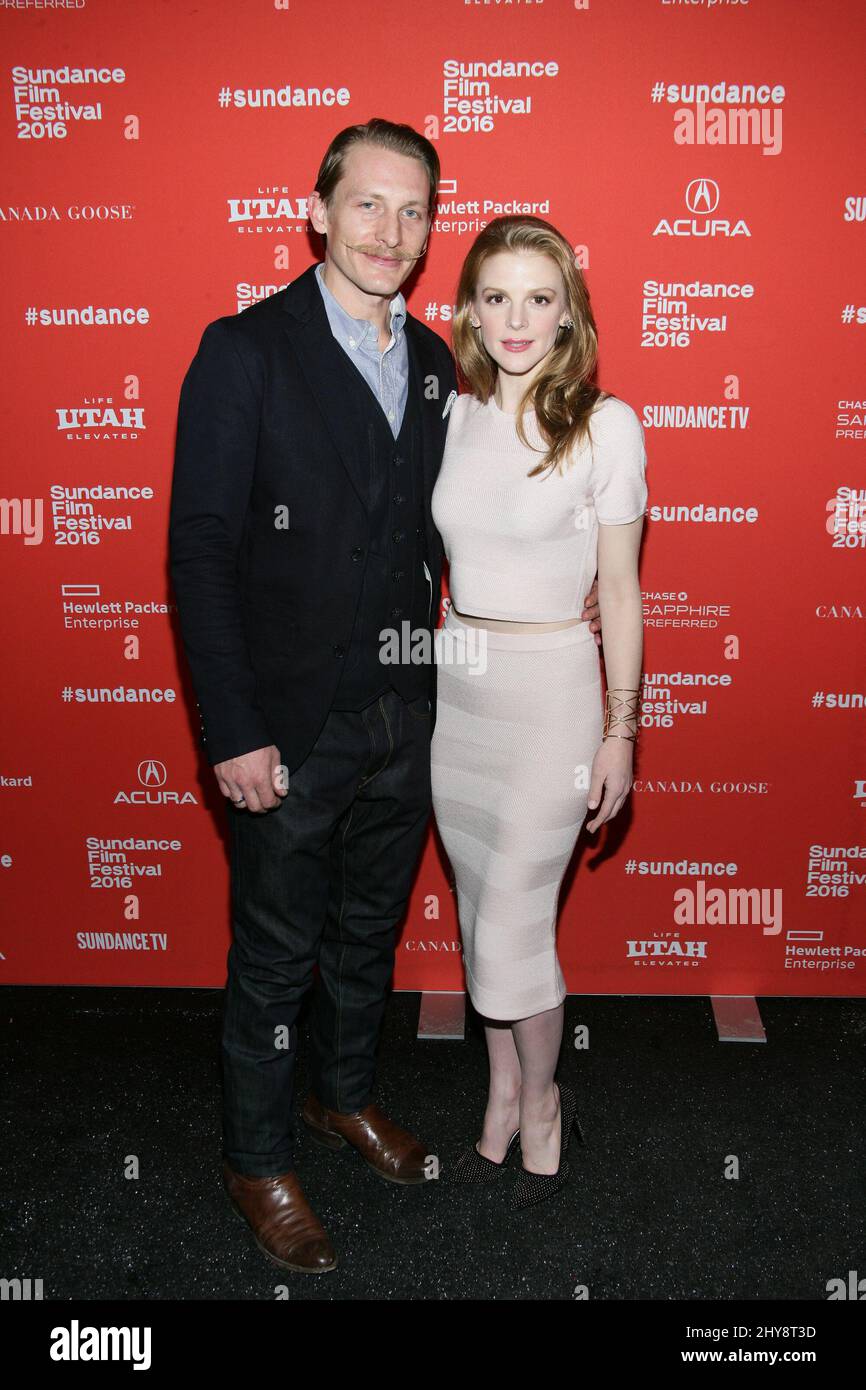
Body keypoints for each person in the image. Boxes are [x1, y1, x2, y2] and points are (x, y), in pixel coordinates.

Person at [169, 117, 607, 1272]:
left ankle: (344, 1097)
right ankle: (257, 1158)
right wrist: (233, 728)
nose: (390, 232)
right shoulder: (242, 351)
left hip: (413, 713)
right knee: (272, 953)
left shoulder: (432, 366)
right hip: (286, 730)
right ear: (315, 211)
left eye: (414, 211)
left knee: (366, 935)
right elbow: (201, 552)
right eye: (366, 204)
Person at [430, 215, 647, 1208]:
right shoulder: (453, 411)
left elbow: (622, 589)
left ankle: (544, 1092)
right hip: (459, 692)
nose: (516, 317)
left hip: (554, 697)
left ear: (568, 315)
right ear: (470, 307)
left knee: (517, 918)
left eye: (539, 298)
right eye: (496, 295)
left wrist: (620, 730)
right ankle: (502, 1081)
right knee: (482, 918)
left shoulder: (604, 424)